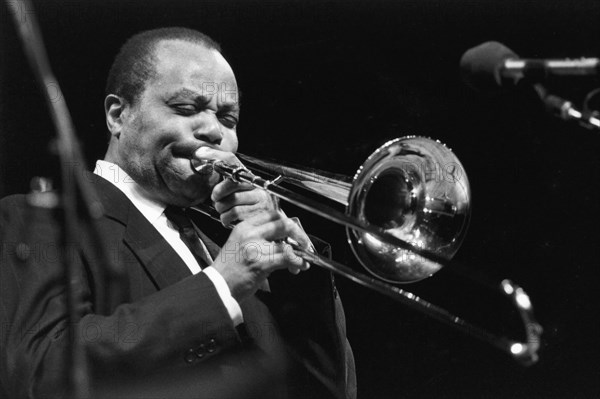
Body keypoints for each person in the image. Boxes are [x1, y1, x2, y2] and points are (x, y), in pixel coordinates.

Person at [0, 27, 356, 399]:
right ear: (118, 115)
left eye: (228, 119)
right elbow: (42, 376)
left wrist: (300, 282)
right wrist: (221, 284)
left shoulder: (231, 256)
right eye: (187, 108)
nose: (214, 131)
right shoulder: (40, 220)